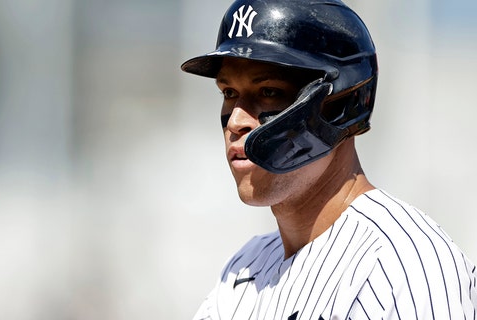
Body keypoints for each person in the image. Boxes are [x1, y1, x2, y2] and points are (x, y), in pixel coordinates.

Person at [180, 0, 477, 319]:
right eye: (228, 93)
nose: (237, 120)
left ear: (339, 104)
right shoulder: (243, 269)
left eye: (268, 91)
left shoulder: (402, 261)